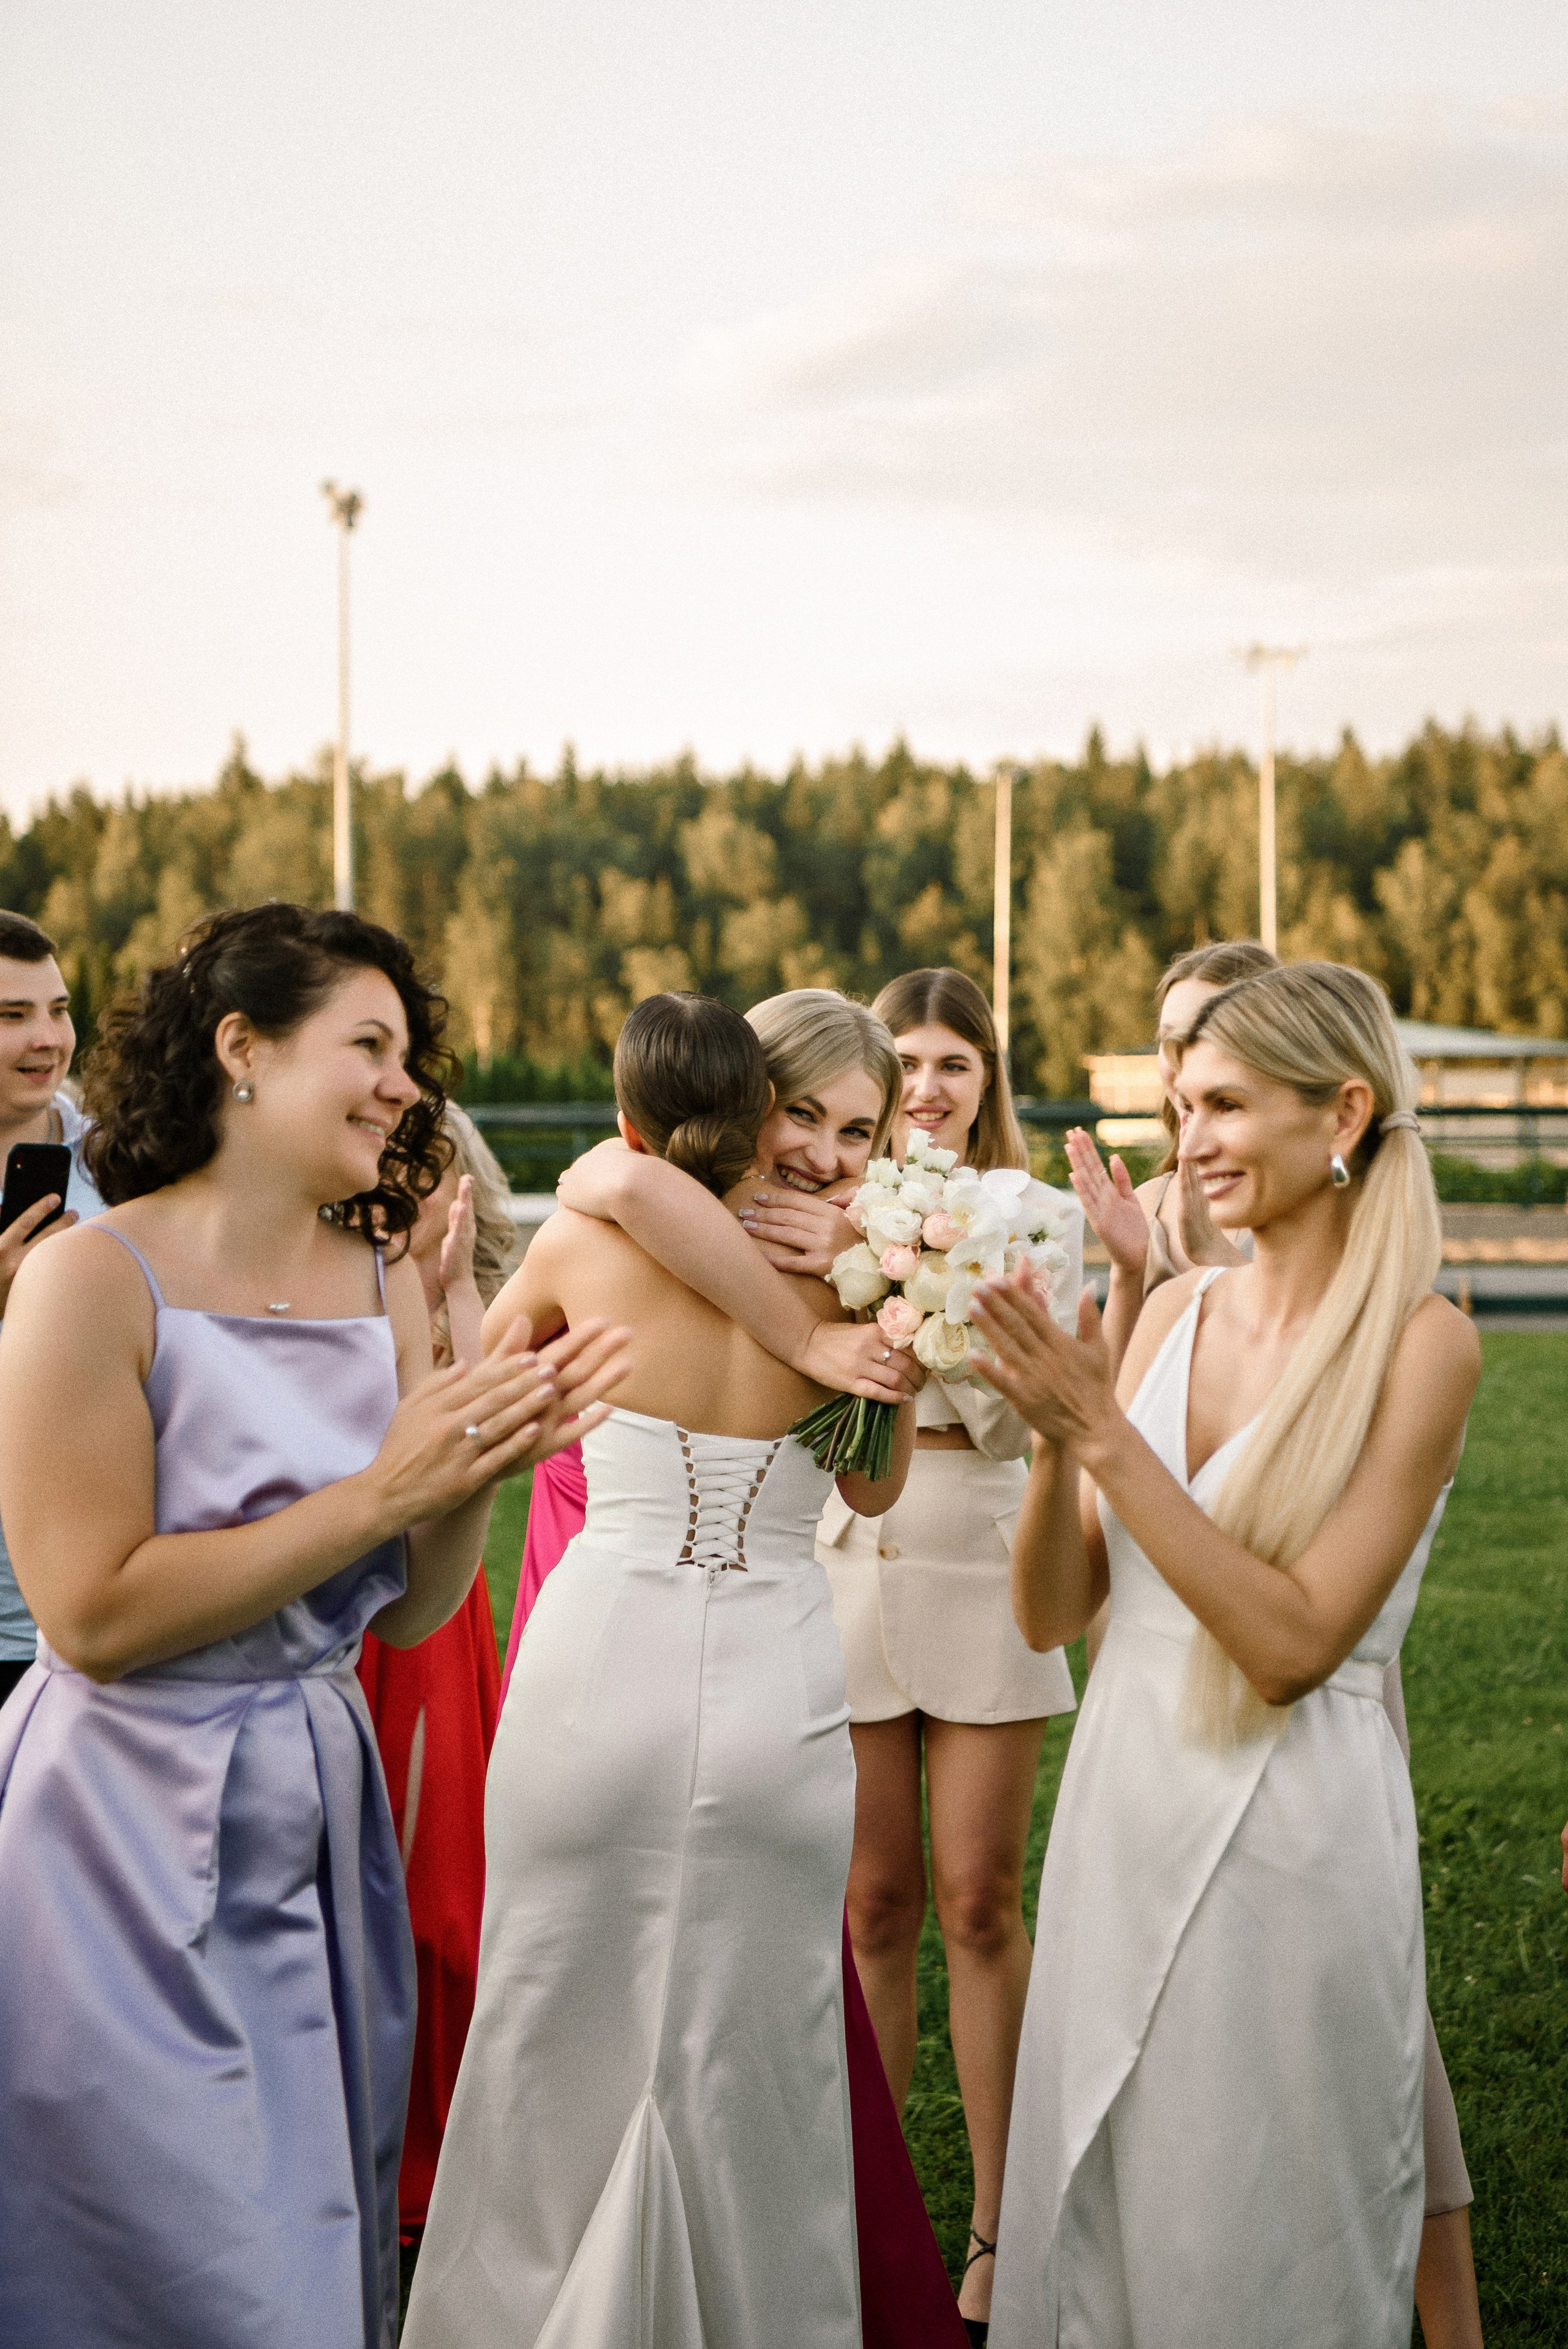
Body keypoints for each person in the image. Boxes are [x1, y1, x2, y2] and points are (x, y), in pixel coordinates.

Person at [0, 904, 625, 2349]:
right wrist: (376, 1493)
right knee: (149, 2255)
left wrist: (478, 1464)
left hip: (320, 1811)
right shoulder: (90, 1282)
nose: (405, 1085)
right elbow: (90, 1613)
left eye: (407, 1054)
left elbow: (412, 1602)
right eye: (369, 1046)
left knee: (306, 2238)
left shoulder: (373, 1276)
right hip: (120, 1830)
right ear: (242, 1051)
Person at [970, 960, 1480, 2349]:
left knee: (1262, 2226)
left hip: (1287, 1848)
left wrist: (1101, 1437)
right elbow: (1048, 1611)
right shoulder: (1174, 1312)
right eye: (1181, 1102)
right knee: (1109, 2206)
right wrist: (1043, 1437)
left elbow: (1290, 1645)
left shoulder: (1419, 1346)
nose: (1190, 1139)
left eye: (1227, 1103)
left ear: (1343, 1112)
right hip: (1119, 1814)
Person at [404, 992, 918, 2349]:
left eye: (852, 1132)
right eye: (801, 1114)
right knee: (754, 2059)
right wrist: (883, 1311)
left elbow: (461, 1402)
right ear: (751, 1103)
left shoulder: (587, 1233)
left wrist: (448, 1297)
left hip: (596, 1665)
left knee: (541, 2030)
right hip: (776, 1678)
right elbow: (867, 1493)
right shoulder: (853, 1274)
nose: (818, 1151)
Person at [787, 967, 1080, 2345]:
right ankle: (872, 2215)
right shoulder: (829, 1203)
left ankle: (999, 2223)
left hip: (977, 1549)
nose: (927, 1080)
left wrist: (930, 1298)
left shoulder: (1041, 1216)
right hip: (847, 1567)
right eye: (905, 1056)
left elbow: (1029, 1424)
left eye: (954, 1058)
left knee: (975, 1897)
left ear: (986, 1079)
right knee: (872, 1904)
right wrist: (880, 1279)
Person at [356, 1104, 519, 2244]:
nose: (416, 1198)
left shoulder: (481, 1315)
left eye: (434, 1176)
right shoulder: (320, 1298)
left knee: (442, 1887)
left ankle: (436, 2150)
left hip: (430, 1616)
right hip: (327, 1608)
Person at [0, 911, 105, 1706]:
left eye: (59, 1009)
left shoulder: (122, 1161)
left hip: (99, 1620)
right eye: (13, 1016)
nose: (48, 1038)